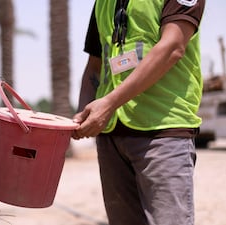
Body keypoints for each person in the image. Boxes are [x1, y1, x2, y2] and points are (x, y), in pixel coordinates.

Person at [72, 0, 205, 225]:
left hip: (163, 132)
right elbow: (95, 65)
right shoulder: (104, 3)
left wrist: (108, 104)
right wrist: (81, 114)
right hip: (112, 136)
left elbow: (173, 46)